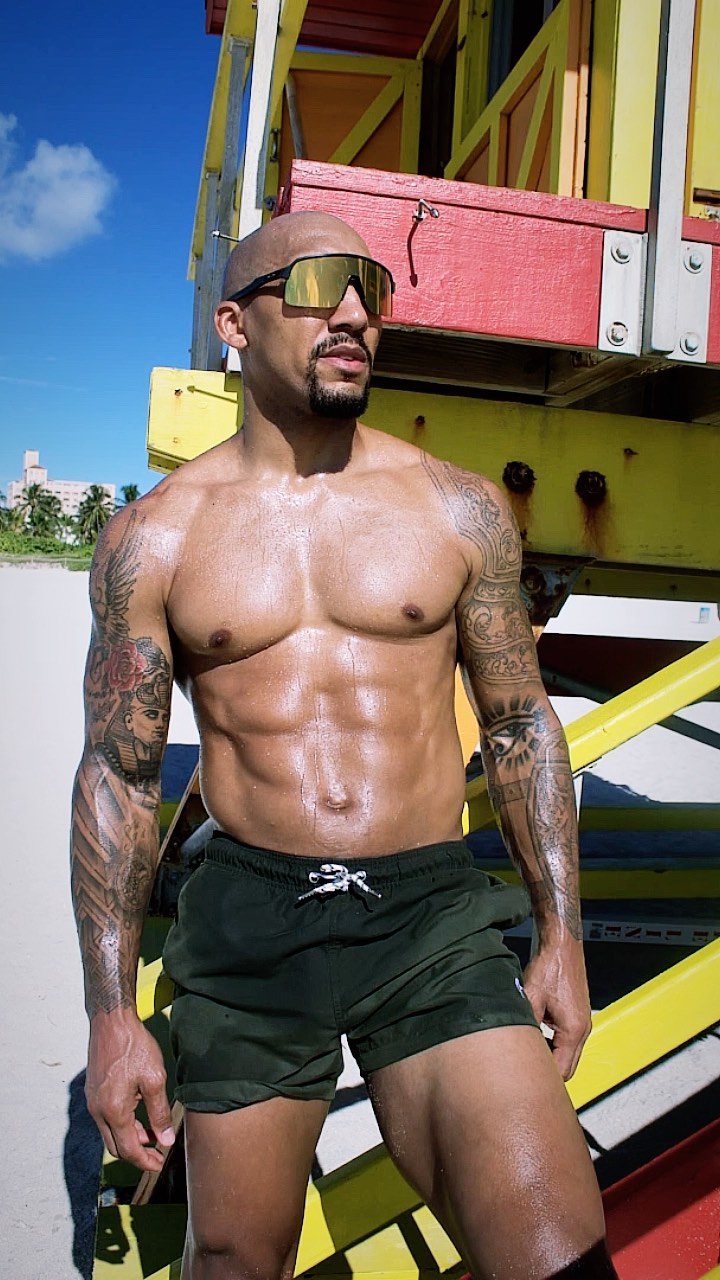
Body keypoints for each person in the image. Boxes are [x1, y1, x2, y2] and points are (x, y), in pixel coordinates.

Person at [71, 210, 619, 1280]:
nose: (356, 312)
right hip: (249, 925)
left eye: (372, 286)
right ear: (234, 323)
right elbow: (120, 776)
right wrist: (110, 1015)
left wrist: (562, 930)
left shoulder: (458, 508)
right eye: (320, 283)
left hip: (430, 917)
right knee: (234, 1258)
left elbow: (519, 721)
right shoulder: (154, 538)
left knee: (557, 1252)